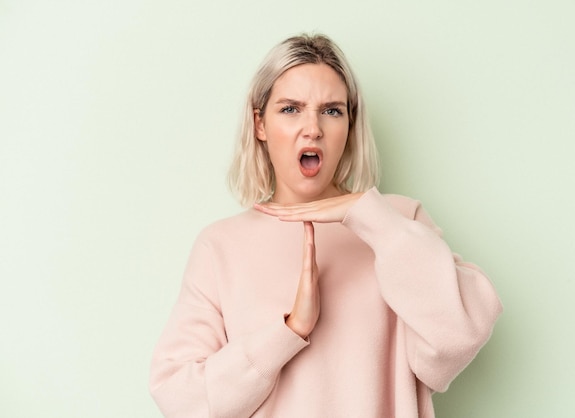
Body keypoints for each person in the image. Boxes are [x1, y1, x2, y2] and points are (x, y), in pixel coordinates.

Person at [149, 33, 502, 418]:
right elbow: (180, 399)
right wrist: (288, 333)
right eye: (290, 109)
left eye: (332, 111)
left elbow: (460, 335)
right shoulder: (220, 246)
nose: (312, 128)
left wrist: (371, 217)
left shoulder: (397, 224)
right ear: (260, 124)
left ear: (350, 125)